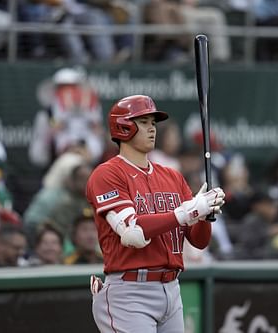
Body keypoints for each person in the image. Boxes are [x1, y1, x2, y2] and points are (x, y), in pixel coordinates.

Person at [85, 95, 225, 332]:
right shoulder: (107, 174)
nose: (152, 129)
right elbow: (132, 233)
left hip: (172, 288)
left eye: (153, 123)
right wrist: (189, 211)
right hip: (130, 292)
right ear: (124, 126)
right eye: (144, 122)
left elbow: (199, 241)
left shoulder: (172, 176)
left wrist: (204, 213)